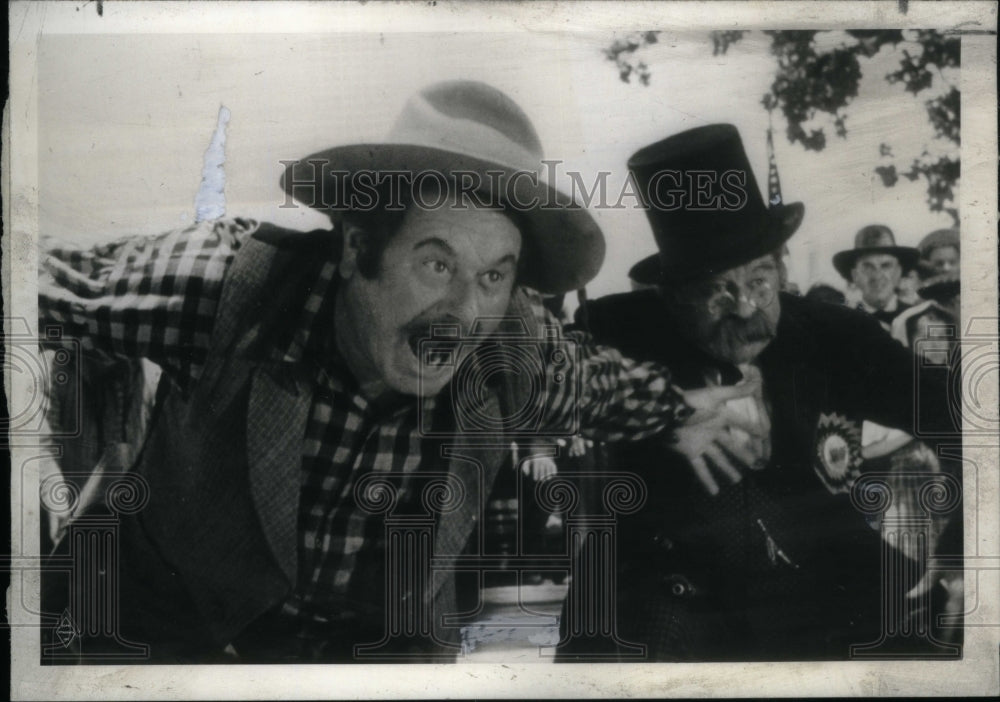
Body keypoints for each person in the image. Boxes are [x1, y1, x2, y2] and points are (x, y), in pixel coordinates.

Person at [38, 81, 757, 663]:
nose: (462, 313)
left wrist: (679, 410)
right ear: (357, 248)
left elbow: (597, 384)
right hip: (163, 630)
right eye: (436, 263)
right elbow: (40, 280)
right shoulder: (225, 286)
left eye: (492, 275)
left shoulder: (512, 341)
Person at [557, 124, 961, 661]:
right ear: (672, 296)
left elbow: (968, 417)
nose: (745, 308)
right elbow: (523, 380)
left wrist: (962, 552)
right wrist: (655, 413)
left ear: (781, 268)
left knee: (937, 633)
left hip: (823, 586)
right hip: (667, 593)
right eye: (715, 291)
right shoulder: (617, 331)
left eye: (760, 280)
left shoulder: (835, 335)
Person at [832, 224, 920, 331]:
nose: (877, 275)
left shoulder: (918, 318)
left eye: (886, 266)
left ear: (898, 272)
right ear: (855, 276)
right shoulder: (842, 323)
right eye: (868, 267)